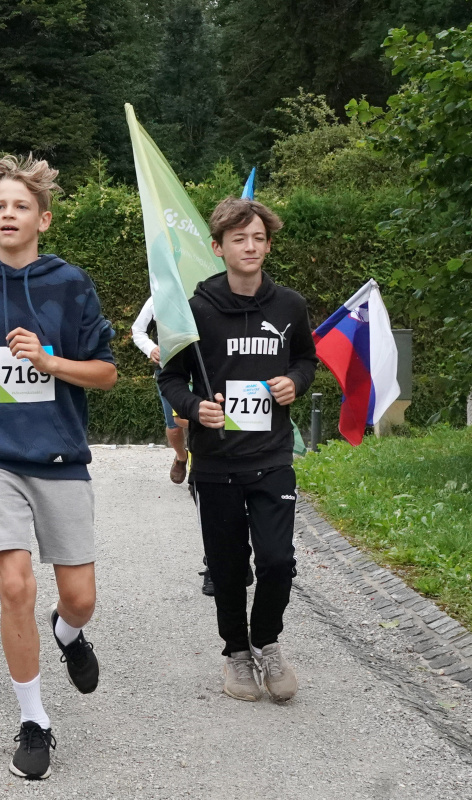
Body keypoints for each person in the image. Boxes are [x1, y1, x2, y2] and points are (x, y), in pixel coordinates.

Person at [0, 155, 116, 780]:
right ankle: (33, 720)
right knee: (14, 586)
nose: (8, 215)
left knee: (80, 598)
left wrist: (49, 362)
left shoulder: (71, 284)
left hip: (61, 458)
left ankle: (68, 634)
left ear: (42, 219)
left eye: (20, 206)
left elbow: (106, 373)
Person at [158, 197, 316, 704]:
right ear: (218, 247)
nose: (250, 247)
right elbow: (170, 377)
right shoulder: (195, 310)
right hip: (217, 463)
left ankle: (266, 641)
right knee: (227, 568)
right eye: (239, 238)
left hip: (272, 458)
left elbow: (306, 359)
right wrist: (196, 406)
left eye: (259, 238)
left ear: (268, 246)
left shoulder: (289, 306)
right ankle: (236, 653)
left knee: (277, 560)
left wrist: (295, 382)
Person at [131, 297, 187, 482]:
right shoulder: (157, 298)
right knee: (175, 425)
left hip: (203, 371)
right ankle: (181, 457)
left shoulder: (207, 293)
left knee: (201, 421)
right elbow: (138, 330)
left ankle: (200, 470)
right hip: (169, 371)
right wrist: (151, 348)